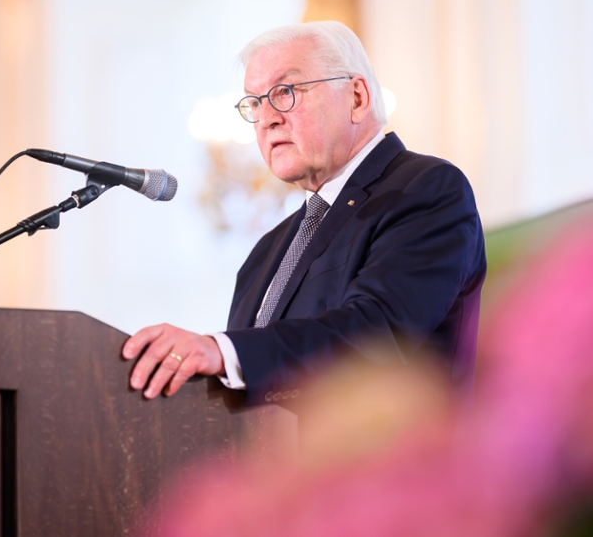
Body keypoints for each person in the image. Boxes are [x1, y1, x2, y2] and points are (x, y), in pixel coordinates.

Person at [122, 21, 486, 405]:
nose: (266, 119)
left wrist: (225, 352)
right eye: (255, 102)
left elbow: (377, 337)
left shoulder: (425, 188)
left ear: (357, 98)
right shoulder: (266, 251)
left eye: (285, 92)